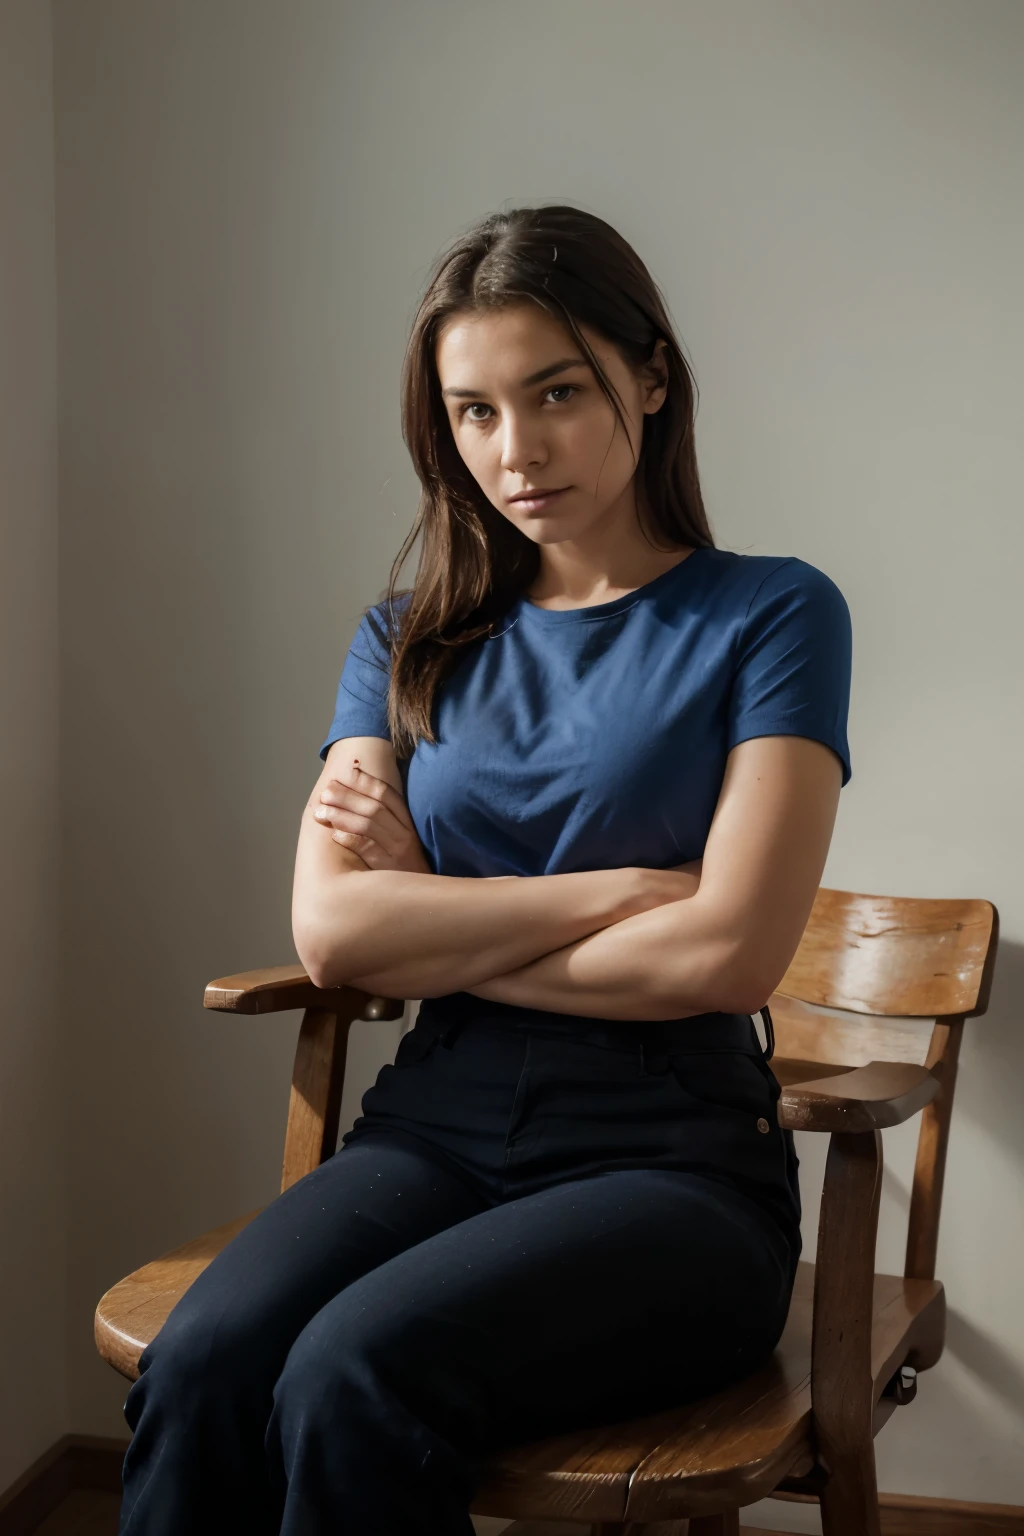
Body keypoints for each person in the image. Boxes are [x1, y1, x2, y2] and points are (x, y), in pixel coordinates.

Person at [118, 205, 852, 1536]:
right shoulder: (404, 638)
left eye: (556, 392)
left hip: (675, 1160)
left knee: (356, 1373)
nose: (516, 451)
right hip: (436, 1125)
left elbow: (727, 958)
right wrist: (628, 888)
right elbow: (340, 937)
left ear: (650, 376)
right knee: (207, 1362)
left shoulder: (773, 613)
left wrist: (443, 920)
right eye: (474, 412)